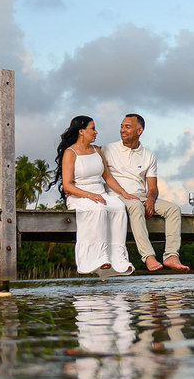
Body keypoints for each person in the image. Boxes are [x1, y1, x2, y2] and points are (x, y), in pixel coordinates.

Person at [102, 114, 190, 272]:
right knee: (136, 206)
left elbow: (153, 187)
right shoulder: (108, 149)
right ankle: (148, 256)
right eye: (122, 126)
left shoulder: (149, 155)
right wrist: (125, 194)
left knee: (173, 209)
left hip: (141, 195)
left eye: (127, 127)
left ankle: (171, 255)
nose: (122, 130)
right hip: (117, 195)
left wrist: (150, 201)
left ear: (139, 130)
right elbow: (104, 176)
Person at [54, 115, 135, 277]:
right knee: (98, 210)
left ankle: (119, 258)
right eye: (93, 128)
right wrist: (90, 195)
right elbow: (68, 186)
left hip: (100, 193)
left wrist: (124, 193)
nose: (96, 132)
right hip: (79, 196)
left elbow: (108, 178)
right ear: (81, 131)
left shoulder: (97, 150)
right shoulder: (70, 153)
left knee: (118, 207)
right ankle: (99, 258)